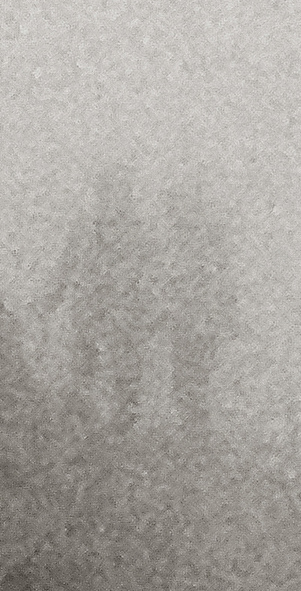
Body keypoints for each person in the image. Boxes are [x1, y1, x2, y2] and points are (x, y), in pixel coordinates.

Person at [40, 162, 160, 434]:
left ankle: (120, 432)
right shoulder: (84, 229)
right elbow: (67, 265)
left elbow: (152, 274)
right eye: (106, 189)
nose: (110, 197)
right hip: (90, 311)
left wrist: (150, 312)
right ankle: (82, 428)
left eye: (118, 190)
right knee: (84, 370)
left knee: (126, 376)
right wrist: (51, 299)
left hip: (126, 315)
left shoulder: (140, 233)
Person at [157, 178, 236, 442]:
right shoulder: (176, 238)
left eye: (174, 204)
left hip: (197, 319)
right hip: (189, 319)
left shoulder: (202, 237)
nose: (170, 211)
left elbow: (219, 278)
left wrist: (223, 314)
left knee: (192, 376)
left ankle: (197, 430)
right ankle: (196, 429)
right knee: (188, 376)